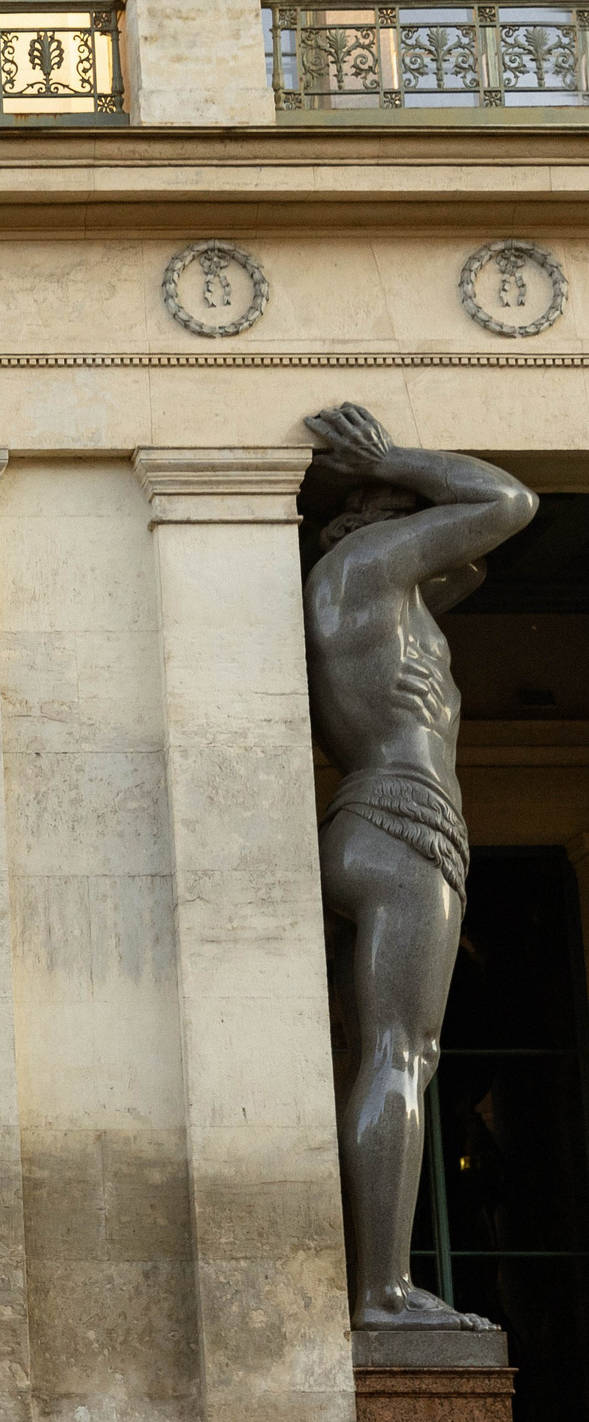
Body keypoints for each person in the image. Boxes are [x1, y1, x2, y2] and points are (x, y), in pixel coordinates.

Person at [301, 402, 536, 1333]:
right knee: (404, 1051)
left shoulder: (363, 592)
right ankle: (384, 1291)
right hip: (407, 825)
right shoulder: (371, 566)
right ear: (399, 516)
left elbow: (470, 567)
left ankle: (380, 1283)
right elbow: (506, 501)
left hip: (368, 818)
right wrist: (397, 455)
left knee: (378, 1052)